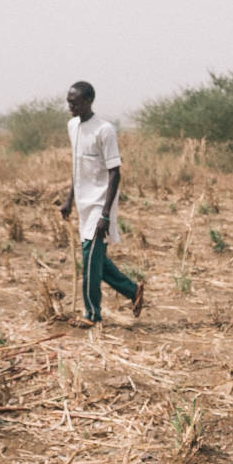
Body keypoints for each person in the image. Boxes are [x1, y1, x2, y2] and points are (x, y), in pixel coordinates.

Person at [59, 81, 145, 324]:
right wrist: (69, 200)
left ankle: (92, 315)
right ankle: (132, 291)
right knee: (95, 261)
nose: (70, 106)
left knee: (89, 262)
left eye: (74, 102)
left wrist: (106, 214)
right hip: (83, 205)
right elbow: (77, 167)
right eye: (68, 101)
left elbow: (115, 172)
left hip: (100, 205)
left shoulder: (104, 130)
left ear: (88, 102)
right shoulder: (72, 126)